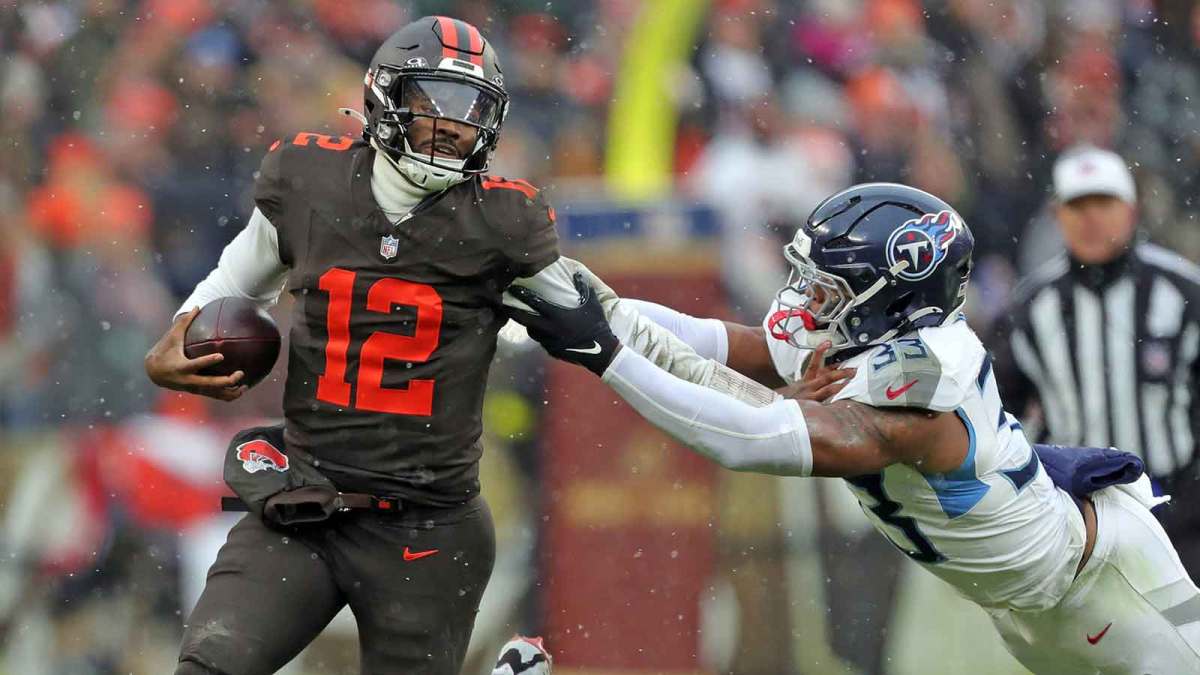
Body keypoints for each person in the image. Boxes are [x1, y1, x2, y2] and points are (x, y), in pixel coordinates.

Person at [505, 183, 1200, 674]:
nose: (807, 300)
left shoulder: (922, 381)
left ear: (893, 294)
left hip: (1110, 584)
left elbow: (751, 435)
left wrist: (607, 352)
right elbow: (725, 343)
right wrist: (591, 303)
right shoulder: (871, 337)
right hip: (1029, 607)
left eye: (828, 287)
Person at [144, 16, 567, 674]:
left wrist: (736, 372)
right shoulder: (310, 181)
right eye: (437, 102)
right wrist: (183, 330)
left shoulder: (502, 221)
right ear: (385, 97)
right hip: (306, 497)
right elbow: (232, 287)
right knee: (208, 664)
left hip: (425, 523)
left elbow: (608, 328)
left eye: (471, 109)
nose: (455, 124)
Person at [992, 146, 1200, 578]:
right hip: (1077, 518)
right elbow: (997, 410)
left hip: (1181, 512)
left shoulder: (1183, 292)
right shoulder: (1032, 306)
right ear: (1056, 215)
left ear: (1132, 209)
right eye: (1077, 206)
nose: (1091, 218)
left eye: (1104, 203)